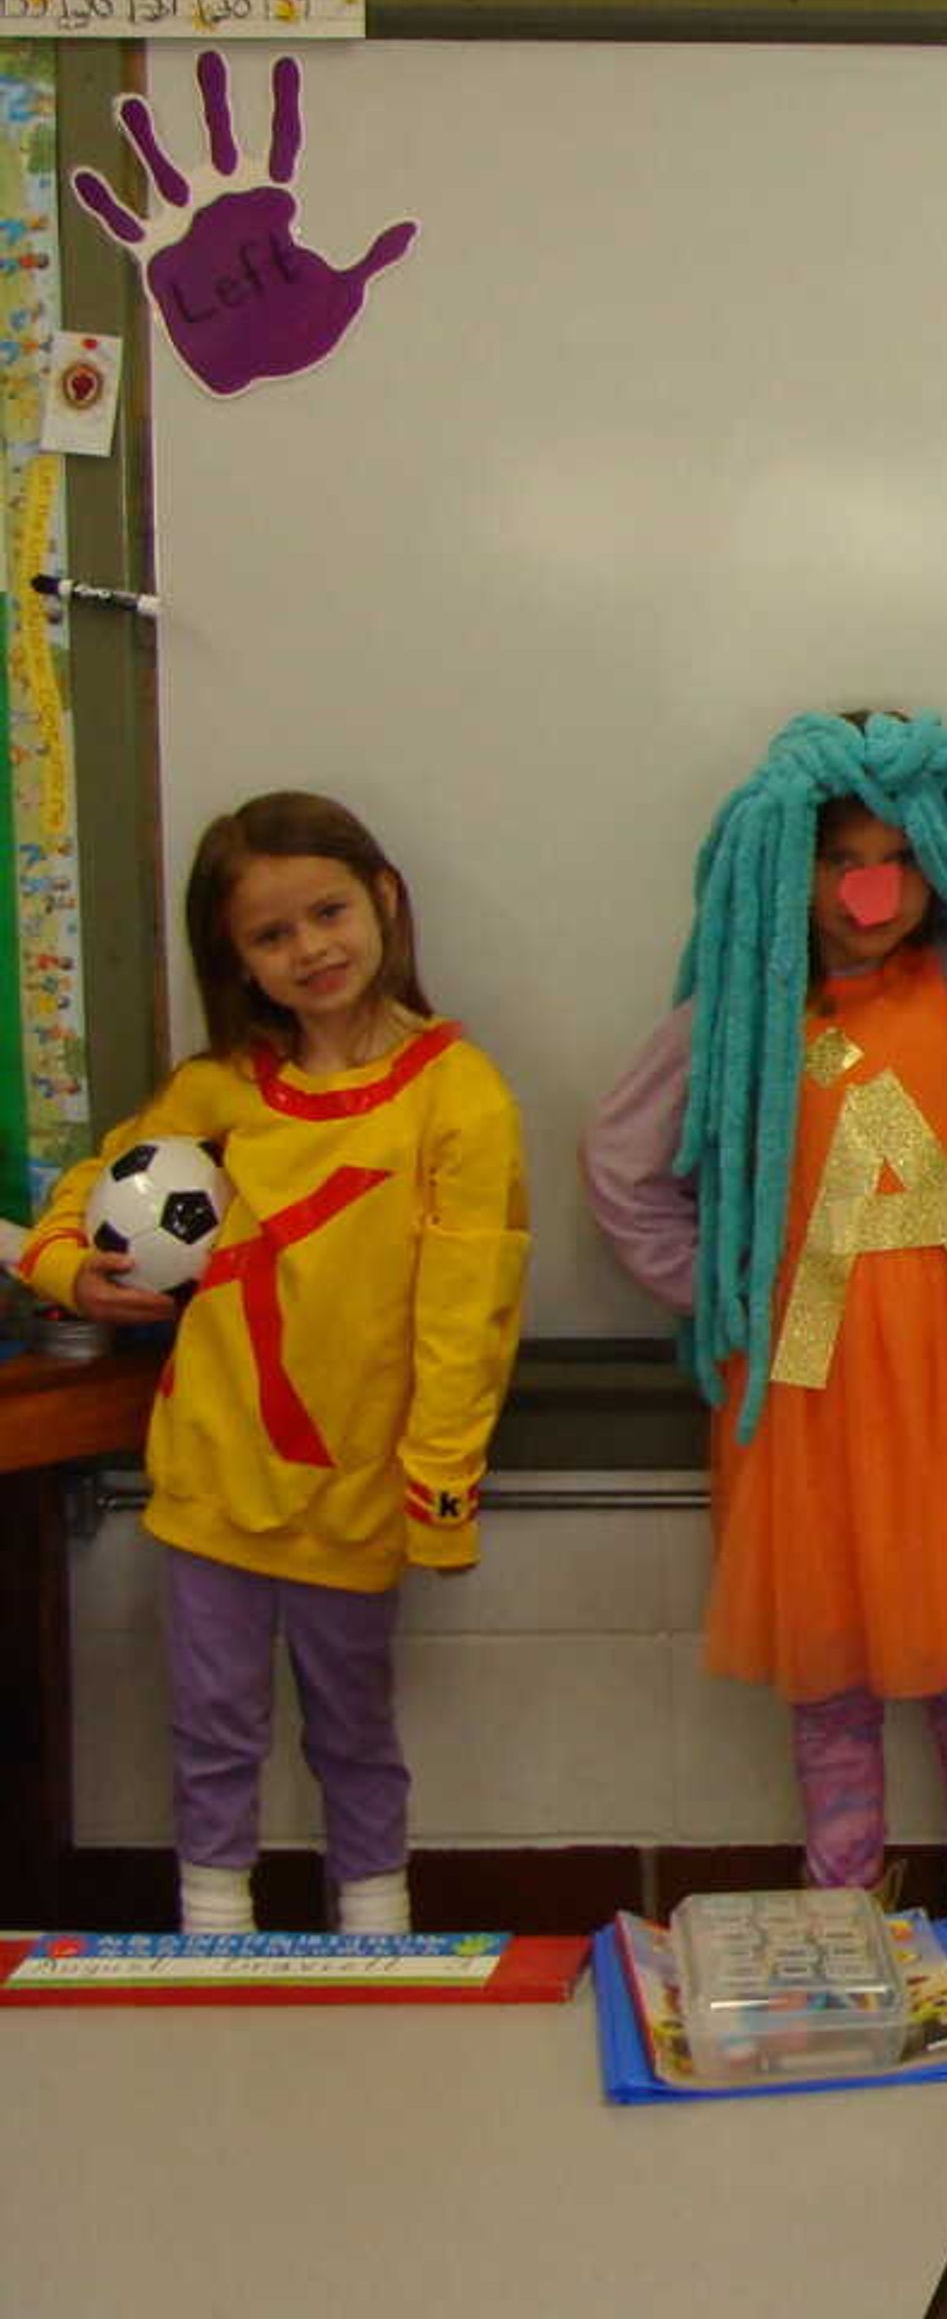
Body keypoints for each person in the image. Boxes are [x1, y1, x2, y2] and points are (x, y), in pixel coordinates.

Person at [583, 710, 947, 1953]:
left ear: (943, 861)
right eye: (842, 858)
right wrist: (723, 1287)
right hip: (809, 1366)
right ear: (780, 863)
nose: (873, 888)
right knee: (830, 1658)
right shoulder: (739, 1023)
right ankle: (842, 1902)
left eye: (901, 858)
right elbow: (620, 1164)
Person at [22, 793, 527, 1937]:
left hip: (353, 1491)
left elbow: (468, 1319)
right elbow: (84, 1194)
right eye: (272, 934)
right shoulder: (217, 1093)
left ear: (384, 900)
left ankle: (376, 1926)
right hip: (209, 1478)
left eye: (329, 912)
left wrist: (440, 1490)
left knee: (353, 1724)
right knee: (211, 1721)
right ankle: (212, 1928)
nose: (312, 949)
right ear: (237, 961)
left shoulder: (461, 1096)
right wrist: (67, 1271)